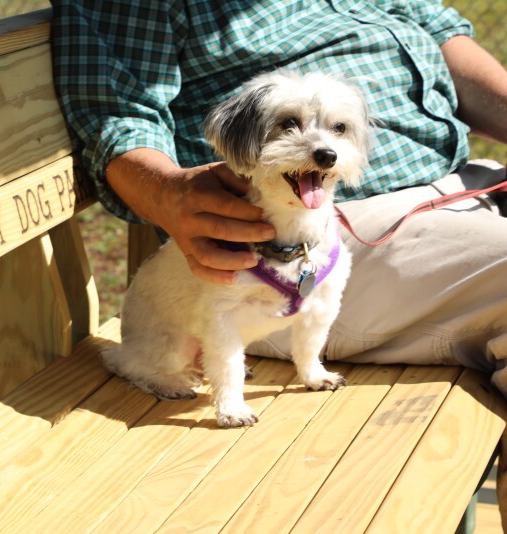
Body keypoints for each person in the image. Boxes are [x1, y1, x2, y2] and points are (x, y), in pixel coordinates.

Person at [51, 0, 507, 396]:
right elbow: (115, 110)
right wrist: (168, 193)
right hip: (298, 251)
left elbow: (439, 29)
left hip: (467, 185)